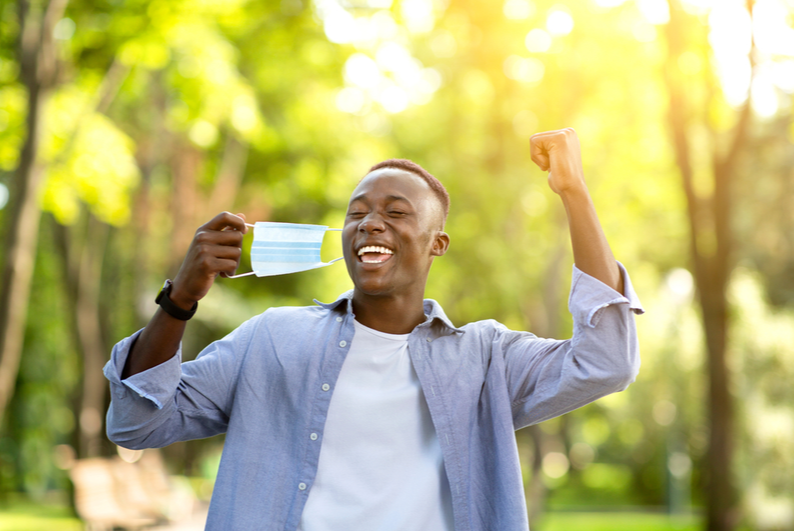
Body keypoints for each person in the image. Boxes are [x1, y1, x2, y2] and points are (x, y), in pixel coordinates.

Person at [105, 128, 643, 530]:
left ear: (438, 243)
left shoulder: (485, 360)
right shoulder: (270, 340)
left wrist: (573, 190)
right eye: (357, 211)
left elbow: (605, 362)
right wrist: (179, 300)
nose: (370, 222)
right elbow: (137, 424)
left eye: (396, 211)